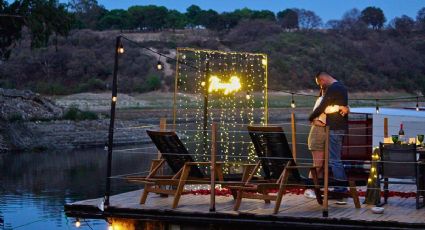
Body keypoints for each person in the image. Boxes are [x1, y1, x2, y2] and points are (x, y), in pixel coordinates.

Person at [304, 86, 349, 199]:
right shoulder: (321, 100)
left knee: (323, 164)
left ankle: (318, 187)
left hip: (326, 132)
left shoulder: (331, 102)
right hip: (318, 133)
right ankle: (309, 189)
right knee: (318, 164)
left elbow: (340, 107)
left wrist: (346, 107)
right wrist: (341, 107)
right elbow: (322, 113)